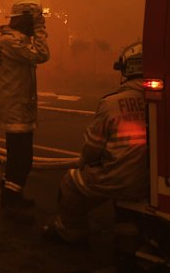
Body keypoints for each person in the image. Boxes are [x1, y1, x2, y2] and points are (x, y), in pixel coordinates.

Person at [43, 42, 147, 243]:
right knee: (128, 199)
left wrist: (84, 162)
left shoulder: (111, 103)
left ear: (127, 68)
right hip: (147, 180)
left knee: (70, 183)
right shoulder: (160, 99)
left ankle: (71, 231)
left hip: (116, 177)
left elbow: (93, 147)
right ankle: (128, 242)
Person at [0, 0, 50, 224]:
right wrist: (39, 29)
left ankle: (13, 193)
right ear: (25, 20)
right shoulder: (11, 42)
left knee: (17, 155)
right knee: (22, 157)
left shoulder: (12, 40)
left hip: (19, 104)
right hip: (16, 106)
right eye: (35, 21)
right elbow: (42, 54)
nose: (36, 25)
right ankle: (10, 200)